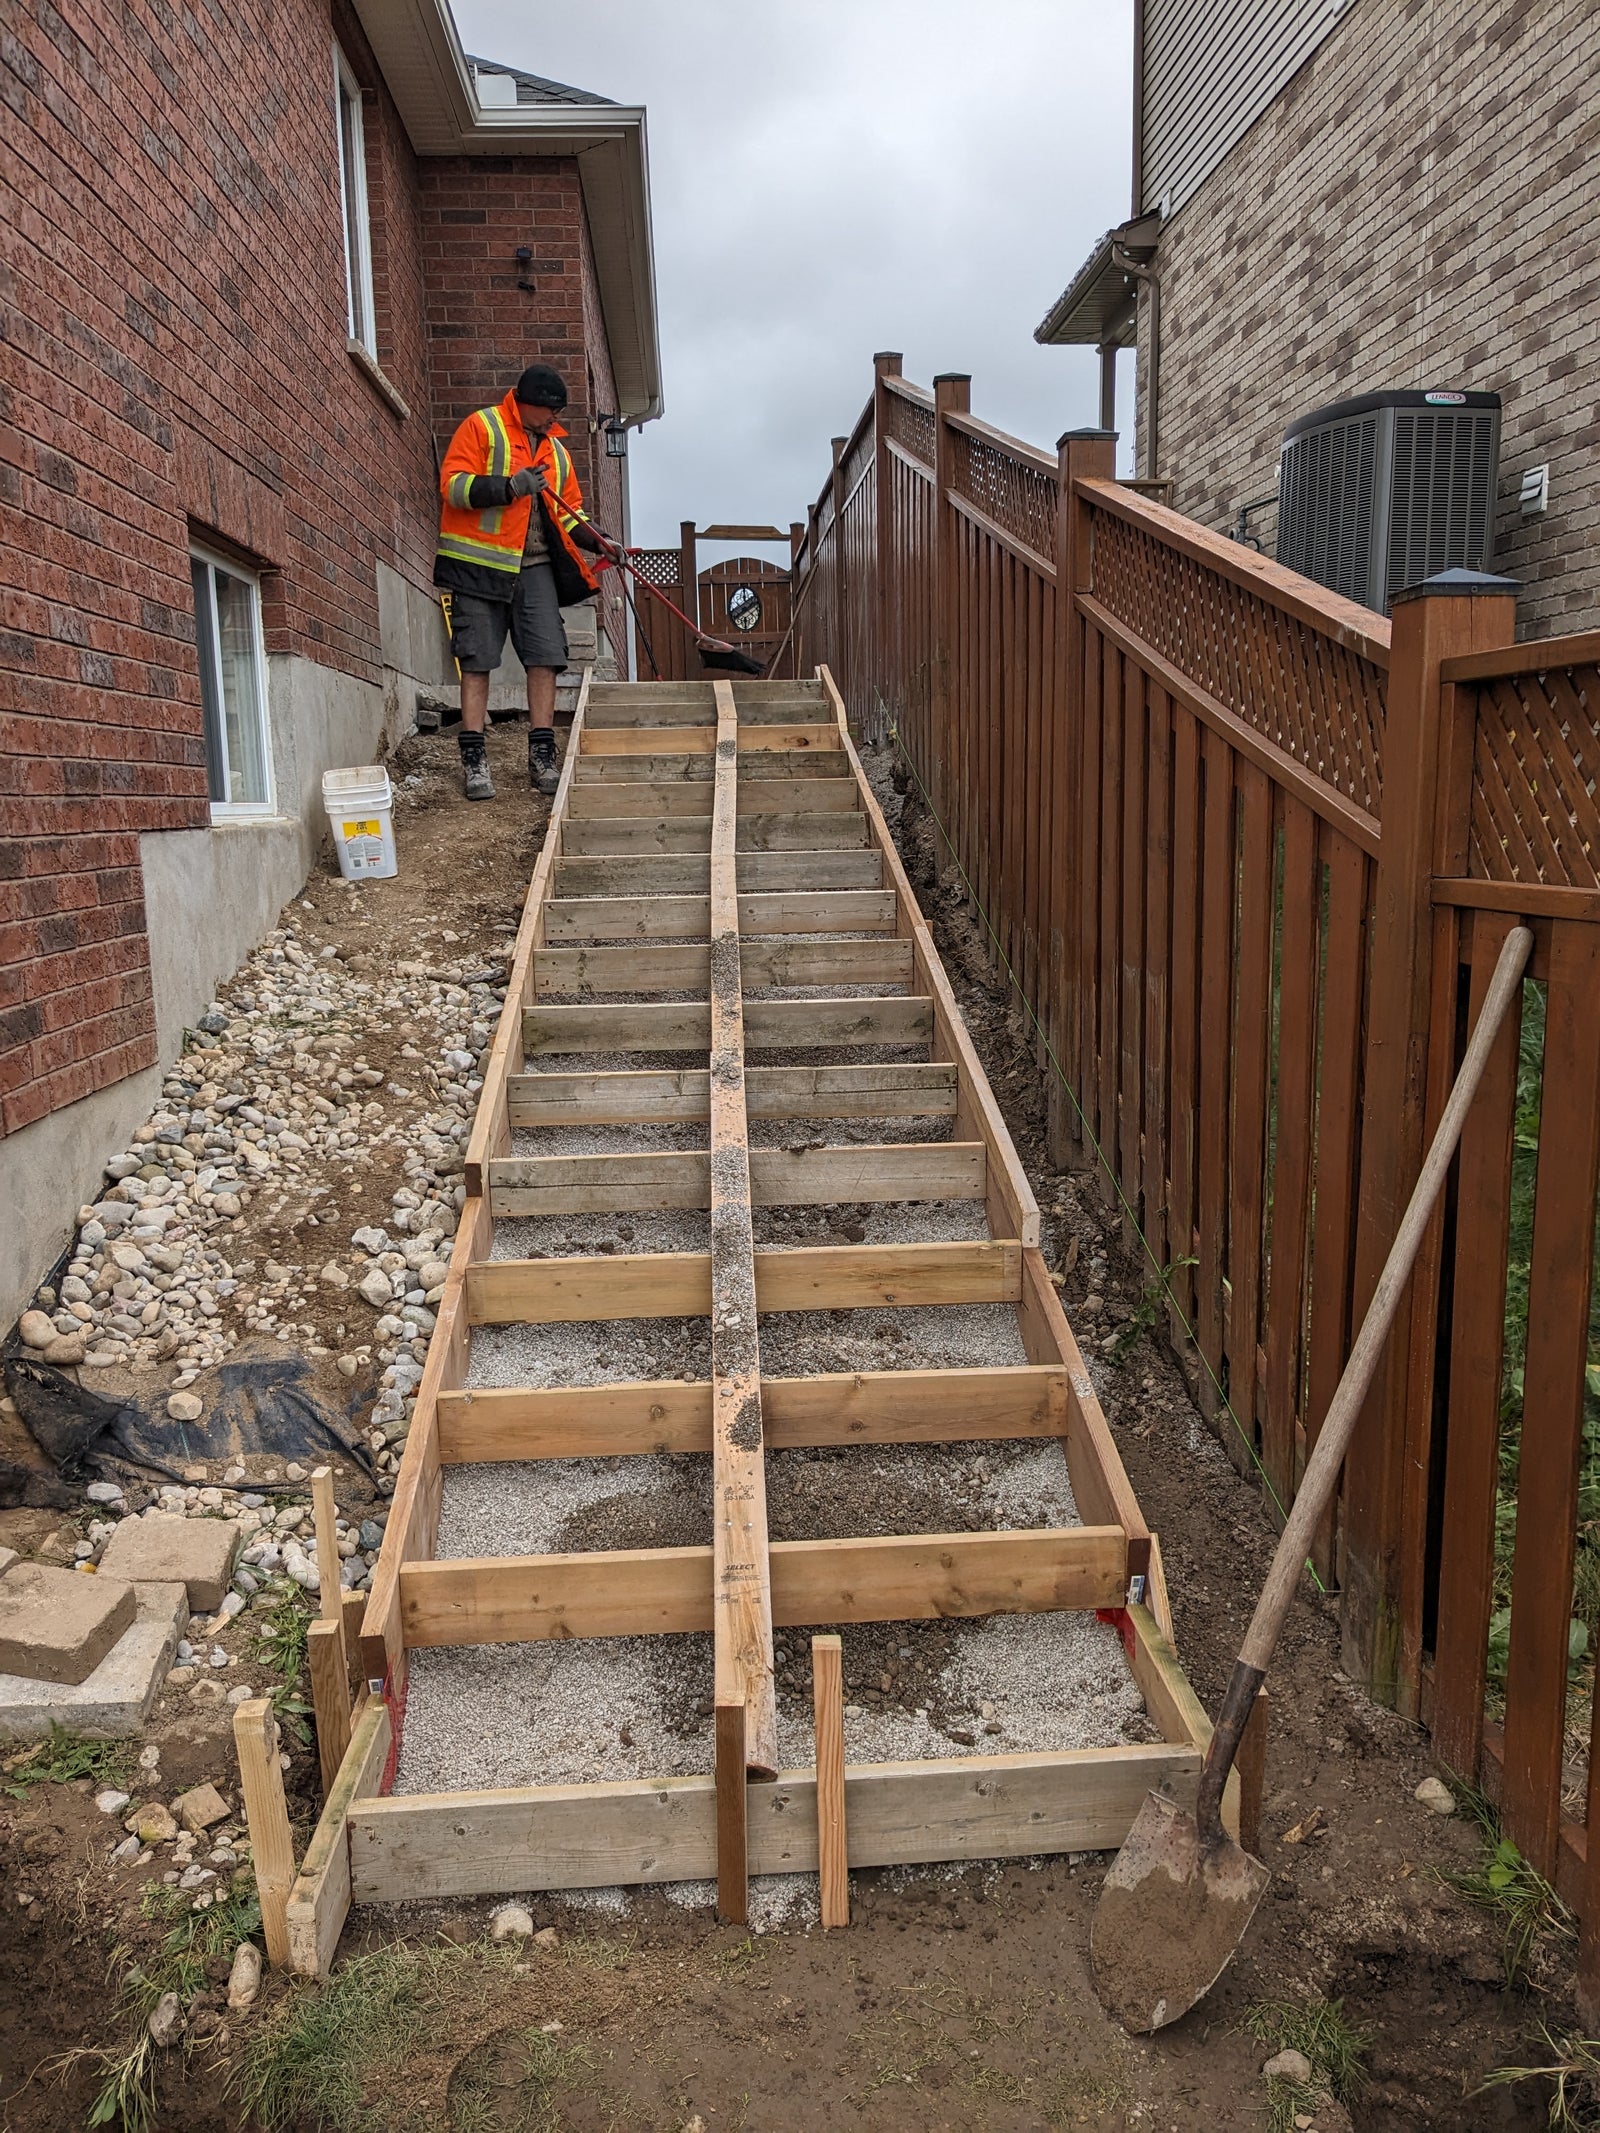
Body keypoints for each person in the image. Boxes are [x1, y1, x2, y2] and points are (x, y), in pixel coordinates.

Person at [433, 363, 606, 800]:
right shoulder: (483, 427)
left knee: (545, 657)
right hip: (479, 569)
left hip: (536, 569)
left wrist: (602, 543)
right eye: (550, 410)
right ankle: (475, 763)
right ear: (527, 403)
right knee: (476, 662)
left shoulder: (556, 452)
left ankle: (542, 757)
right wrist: (510, 487)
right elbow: (453, 487)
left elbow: (571, 513)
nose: (555, 419)